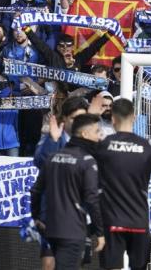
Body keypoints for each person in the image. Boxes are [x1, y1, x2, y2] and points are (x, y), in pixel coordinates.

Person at [97, 98, 151, 270]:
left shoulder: (103, 146)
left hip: (112, 221)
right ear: (134, 117)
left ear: (112, 119)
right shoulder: (147, 147)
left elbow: (89, 181)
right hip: (139, 222)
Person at [30, 113, 105, 269]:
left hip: (50, 228)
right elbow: (92, 198)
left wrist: (37, 218)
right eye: (97, 132)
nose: (100, 136)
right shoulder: (86, 161)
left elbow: (36, 190)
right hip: (72, 230)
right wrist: (100, 231)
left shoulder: (53, 157)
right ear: (85, 134)